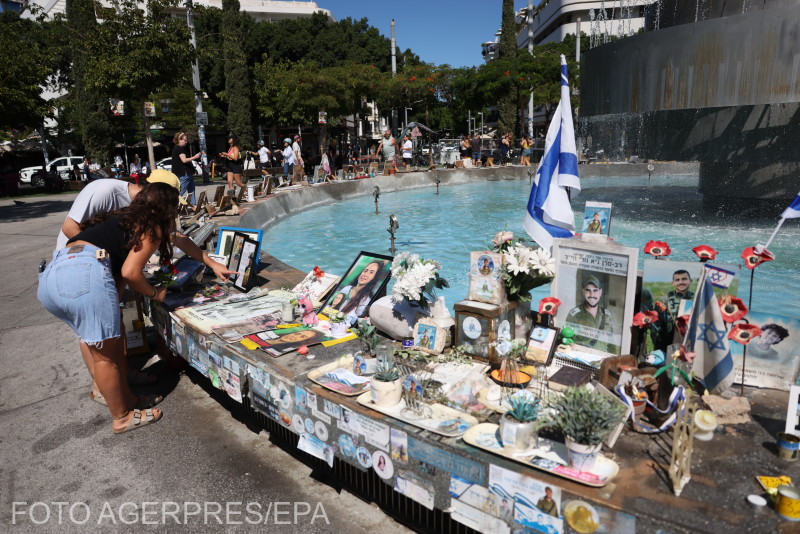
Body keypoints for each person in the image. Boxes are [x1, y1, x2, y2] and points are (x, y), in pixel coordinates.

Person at [53, 171, 237, 401]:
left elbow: (178, 238)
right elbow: (73, 230)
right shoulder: (106, 192)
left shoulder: (139, 211)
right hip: (80, 270)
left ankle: (121, 382)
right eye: (173, 206)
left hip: (85, 271)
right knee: (99, 345)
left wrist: (212, 263)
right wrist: (153, 292)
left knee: (114, 331)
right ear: (160, 198)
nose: (175, 214)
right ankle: (110, 395)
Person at [39, 183, 182, 433]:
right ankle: (122, 417)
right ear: (167, 209)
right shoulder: (152, 226)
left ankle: (128, 400)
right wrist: (155, 292)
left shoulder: (120, 218)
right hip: (85, 274)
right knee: (106, 356)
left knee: (108, 348)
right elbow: (131, 272)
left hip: (54, 275)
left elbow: (117, 274)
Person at [566, 274, 618, 353]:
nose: (592, 295)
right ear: (583, 291)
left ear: (600, 292)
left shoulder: (606, 315)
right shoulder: (574, 315)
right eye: (588, 290)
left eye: (595, 290)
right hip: (581, 358)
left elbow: (611, 343)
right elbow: (568, 342)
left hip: (602, 360)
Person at [654, 269, 694, 350]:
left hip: (690, 342)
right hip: (667, 343)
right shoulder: (664, 301)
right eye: (677, 280)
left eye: (684, 279)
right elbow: (655, 326)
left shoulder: (697, 300)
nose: (680, 282)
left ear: (690, 281)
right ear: (673, 283)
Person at [339, 260, 385, 324]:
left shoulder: (365, 300)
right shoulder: (347, 288)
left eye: (371, 272)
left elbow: (354, 321)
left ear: (374, 278)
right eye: (365, 271)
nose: (365, 274)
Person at [172, 131, 202, 204]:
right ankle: (172, 205)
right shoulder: (179, 149)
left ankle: (193, 205)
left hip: (187, 173)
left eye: (187, 140)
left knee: (191, 190)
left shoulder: (179, 148)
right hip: (184, 173)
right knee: (181, 191)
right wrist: (195, 157)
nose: (186, 142)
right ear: (179, 140)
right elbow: (184, 160)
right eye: (185, 140)